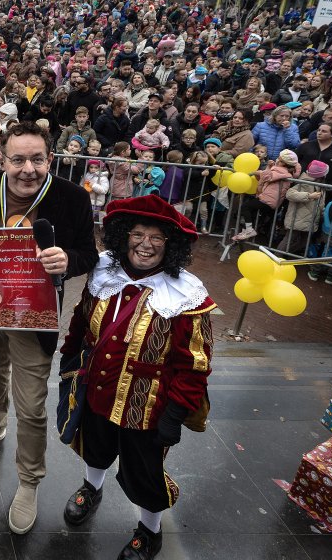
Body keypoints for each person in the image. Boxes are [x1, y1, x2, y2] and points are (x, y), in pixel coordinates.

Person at [0, 119, 99, 534]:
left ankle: (29, 480)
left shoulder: (72, 197)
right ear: (1, 159)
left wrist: (67, 260)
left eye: (37, 159)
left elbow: (88, 254)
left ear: (50, 159)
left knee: (32, 404)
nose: (28, 169)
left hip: (35, 317)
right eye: (18, 160)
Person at [60, 195, 215, 560]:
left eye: (157, 237)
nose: (146, 244)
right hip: (97, 390)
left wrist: (175, 414)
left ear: (170, 245)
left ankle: (150, 531)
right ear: (123, 236)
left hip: (146, 408)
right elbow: (81, 322)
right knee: (95, 447)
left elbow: (195, 365)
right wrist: (69, 361)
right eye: (138, 234)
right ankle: (91, 488)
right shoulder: (104, 273)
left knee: (144, 474)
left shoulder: (187, 295)